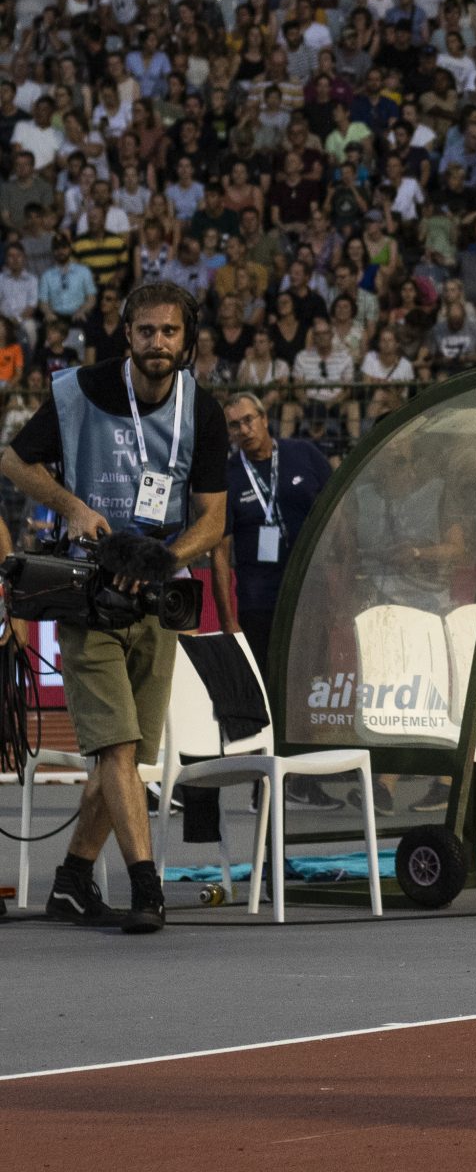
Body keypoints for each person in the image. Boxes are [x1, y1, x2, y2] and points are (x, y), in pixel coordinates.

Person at [0, 282, 228, 933]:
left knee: (122, 756)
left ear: (187, 340)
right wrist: (72, 506)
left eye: (170, 333)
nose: (158, 344)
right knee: (120, 748)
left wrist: (162, 558)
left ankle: (71, 881)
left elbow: (211, 521)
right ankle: (145, 886)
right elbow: (14, 460)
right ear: (126, 333)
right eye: (147, 331)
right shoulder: (78, 391)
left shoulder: (201, 410)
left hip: (157, 596)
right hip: (87, 591)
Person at [210, 392, 338, 810]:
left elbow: (340, 516)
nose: (243, 430)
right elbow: (220, 552)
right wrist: (229, 620)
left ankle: (300, 780)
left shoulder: (305, 456)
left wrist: (343, 585)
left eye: (249, 420)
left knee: (306, 690)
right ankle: (263, 787)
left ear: (266, 420)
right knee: (266, 695)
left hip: (310, 596)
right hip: (258, 601)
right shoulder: (227, 476)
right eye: (235, 425)